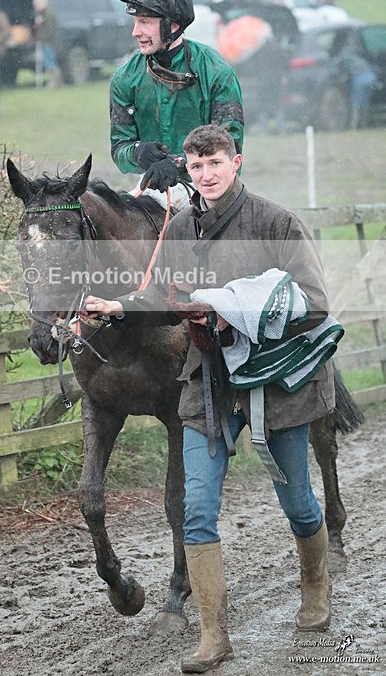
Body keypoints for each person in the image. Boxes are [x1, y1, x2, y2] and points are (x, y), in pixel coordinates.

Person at [82, 123, 339, 673]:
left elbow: (314, 304)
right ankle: (213, 636)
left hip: (274, 380)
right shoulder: (178, 231)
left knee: (296, 502)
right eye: (195, 167)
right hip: (210, 378)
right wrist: (118, 307)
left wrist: (230, 307)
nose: (205, 175)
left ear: (236, 162)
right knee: (196, 511)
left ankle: (315, 588)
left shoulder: (275, 222)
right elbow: (158, 294)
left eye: (214, 163)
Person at [110, 0, 244, 207]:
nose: (136, 32)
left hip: (211, 189)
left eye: (145, 22)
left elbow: (229, 147)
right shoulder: (124, 78)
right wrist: (138, 152)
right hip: (152, 185)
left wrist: (181, 164)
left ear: (172, 25)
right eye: (135, 22)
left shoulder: (218, 73)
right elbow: (120, 149)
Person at [32, 0, 64, 88]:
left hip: (49, 43)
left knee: (50, 63)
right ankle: (54, 82)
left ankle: (55, 82)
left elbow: (49, 31)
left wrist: (41, 24)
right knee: (49, 62)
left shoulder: (48, 14)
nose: (36, 7)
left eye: (37, 5)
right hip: (47, 42)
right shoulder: (44, 13)